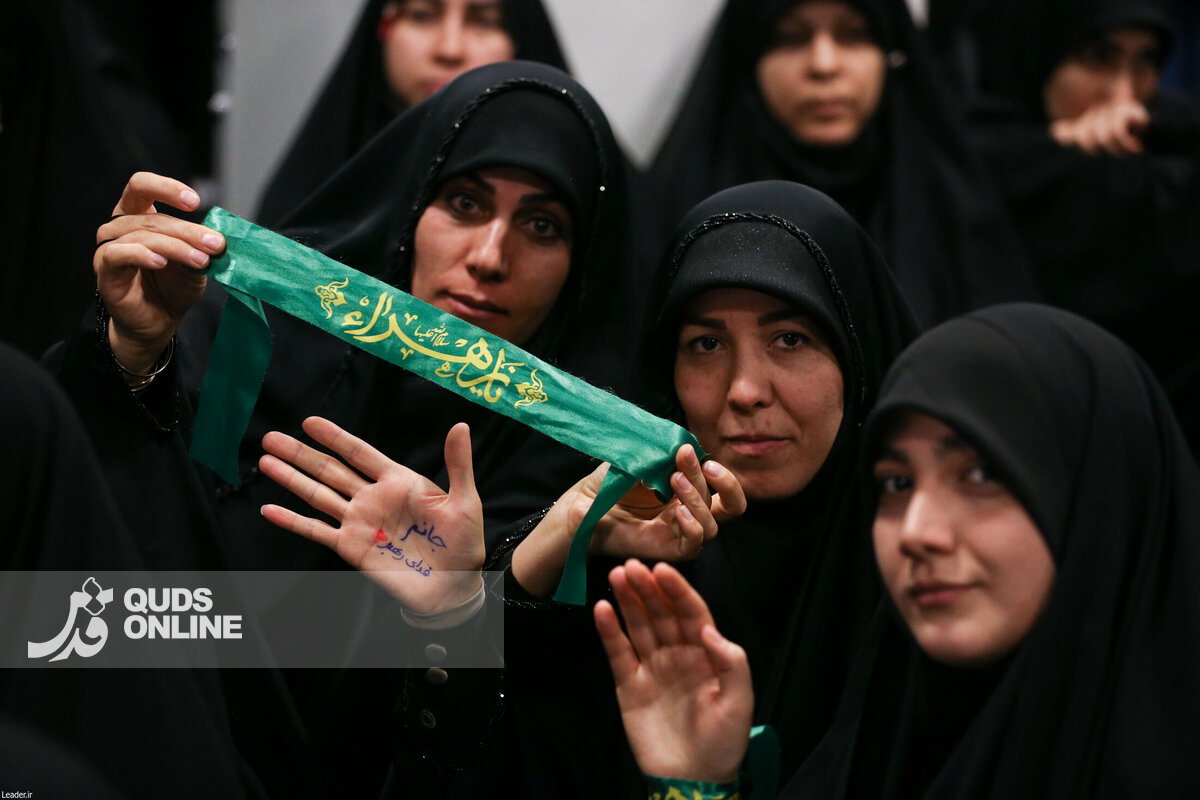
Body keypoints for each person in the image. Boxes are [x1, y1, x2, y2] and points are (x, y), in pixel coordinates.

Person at [599, 302, 1200, 797]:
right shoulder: (874, 751)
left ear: (1100, 498)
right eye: (895, 484)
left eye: (981, 476)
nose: (917, 532)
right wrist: (695, 786)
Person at [644, 0, 1038, 328]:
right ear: (749, 59)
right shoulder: (682, 216)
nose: (824, 64)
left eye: (853, 36)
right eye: (791, 39)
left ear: (890, 52)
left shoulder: (956, 202)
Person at [962, 0, 1200, 456]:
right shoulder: (959, 167)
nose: (1124, 97)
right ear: (1032, 52)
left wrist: (1156, 122)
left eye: (1146, 61)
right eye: (1097, 58)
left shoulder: (1156, 149)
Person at [254, 0, 568, 227]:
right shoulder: (308, 196)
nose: (449, 49)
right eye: (422, 15)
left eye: (483, 20)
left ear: (520, 41)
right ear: (383, 28)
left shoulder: (573, 194)